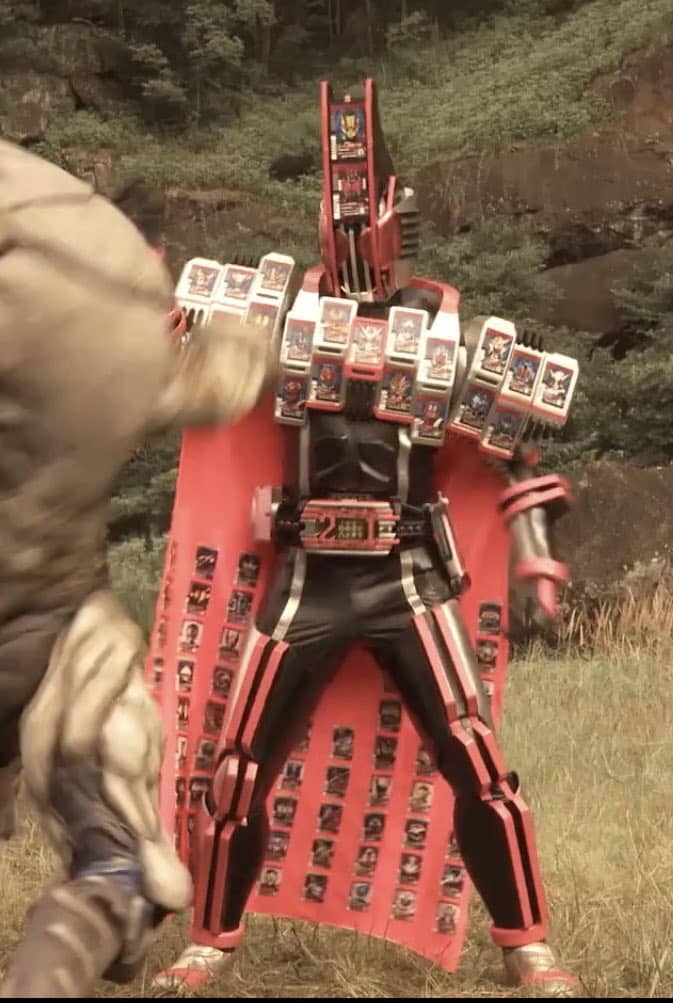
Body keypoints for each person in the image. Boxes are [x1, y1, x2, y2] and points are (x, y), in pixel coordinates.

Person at [150, 80, 580, 996]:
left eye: (362, 205)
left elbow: (517, 450)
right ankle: (212, 937)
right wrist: (153, 320)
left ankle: (525, 943)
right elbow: (181, 361)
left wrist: (536, 556)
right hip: (306, 575)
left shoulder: (447, 322)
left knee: (477, 761)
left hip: (408, 576)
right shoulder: (279, 312)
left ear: (391, 211)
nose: (349, 227)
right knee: (237, 772)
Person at [0, 138, 272, 997]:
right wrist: (239, 344)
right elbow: (214, 377)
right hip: (46, 628)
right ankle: (96, 906)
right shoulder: (110, 283)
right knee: (120, 854)